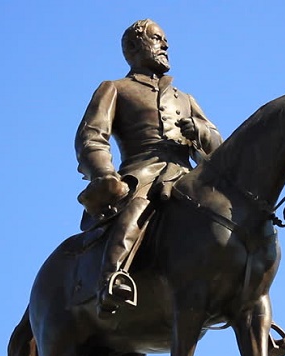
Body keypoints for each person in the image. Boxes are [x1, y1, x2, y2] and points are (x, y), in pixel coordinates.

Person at [74, 19, 223, 316]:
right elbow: (91, 136)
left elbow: (219, 146)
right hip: (144, 171)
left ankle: (249, 296)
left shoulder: (185, 98)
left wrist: (201, 132)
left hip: (186, 172)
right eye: (157, 39)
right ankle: (111, 278)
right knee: (137, 209)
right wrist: (104, 173)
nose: (165, 45)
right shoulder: (115, 88)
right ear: (133, 47)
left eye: (166, 40)